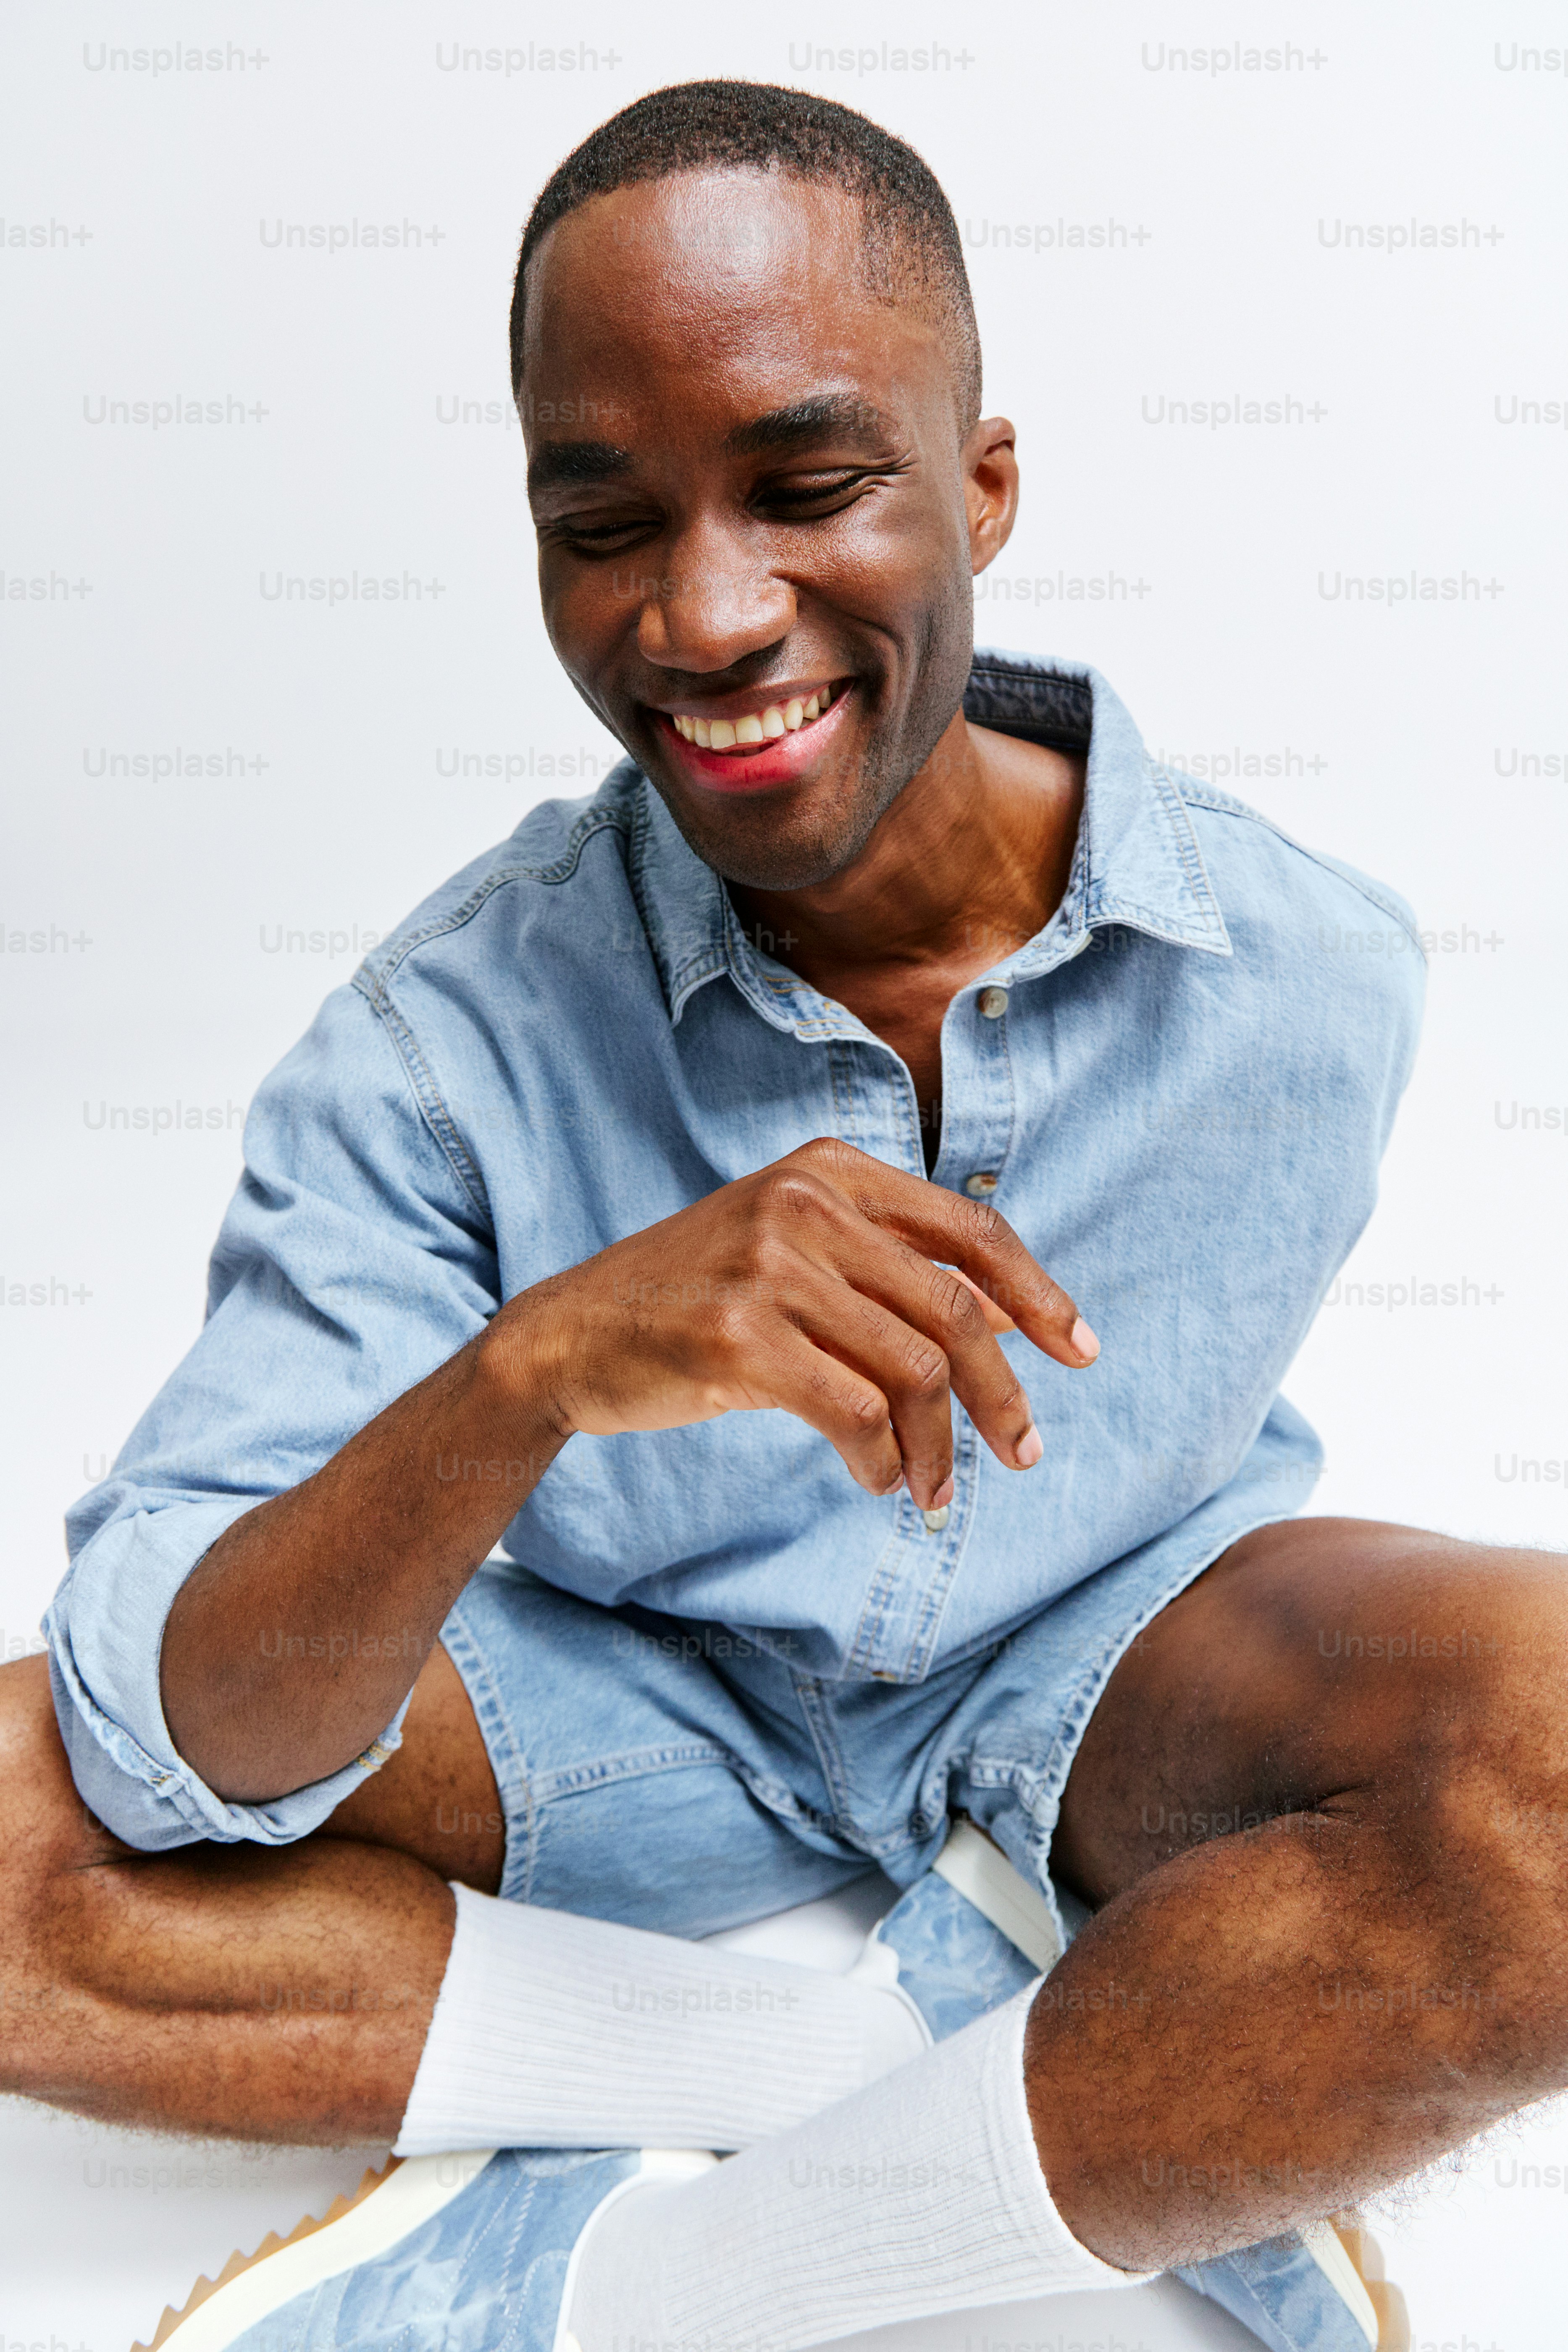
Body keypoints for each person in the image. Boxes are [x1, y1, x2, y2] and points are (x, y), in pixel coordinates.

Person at [5, 79, 1555, 2352]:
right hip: (646, 1706)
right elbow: (183, 1744)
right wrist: (536, 1371)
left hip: (1107, 1659)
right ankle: (902, 2071)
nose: (705, 615)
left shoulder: (1304, 979)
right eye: (600, 519)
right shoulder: (442, 1041)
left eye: (808, 487)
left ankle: (637, 2300)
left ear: (982, 488)